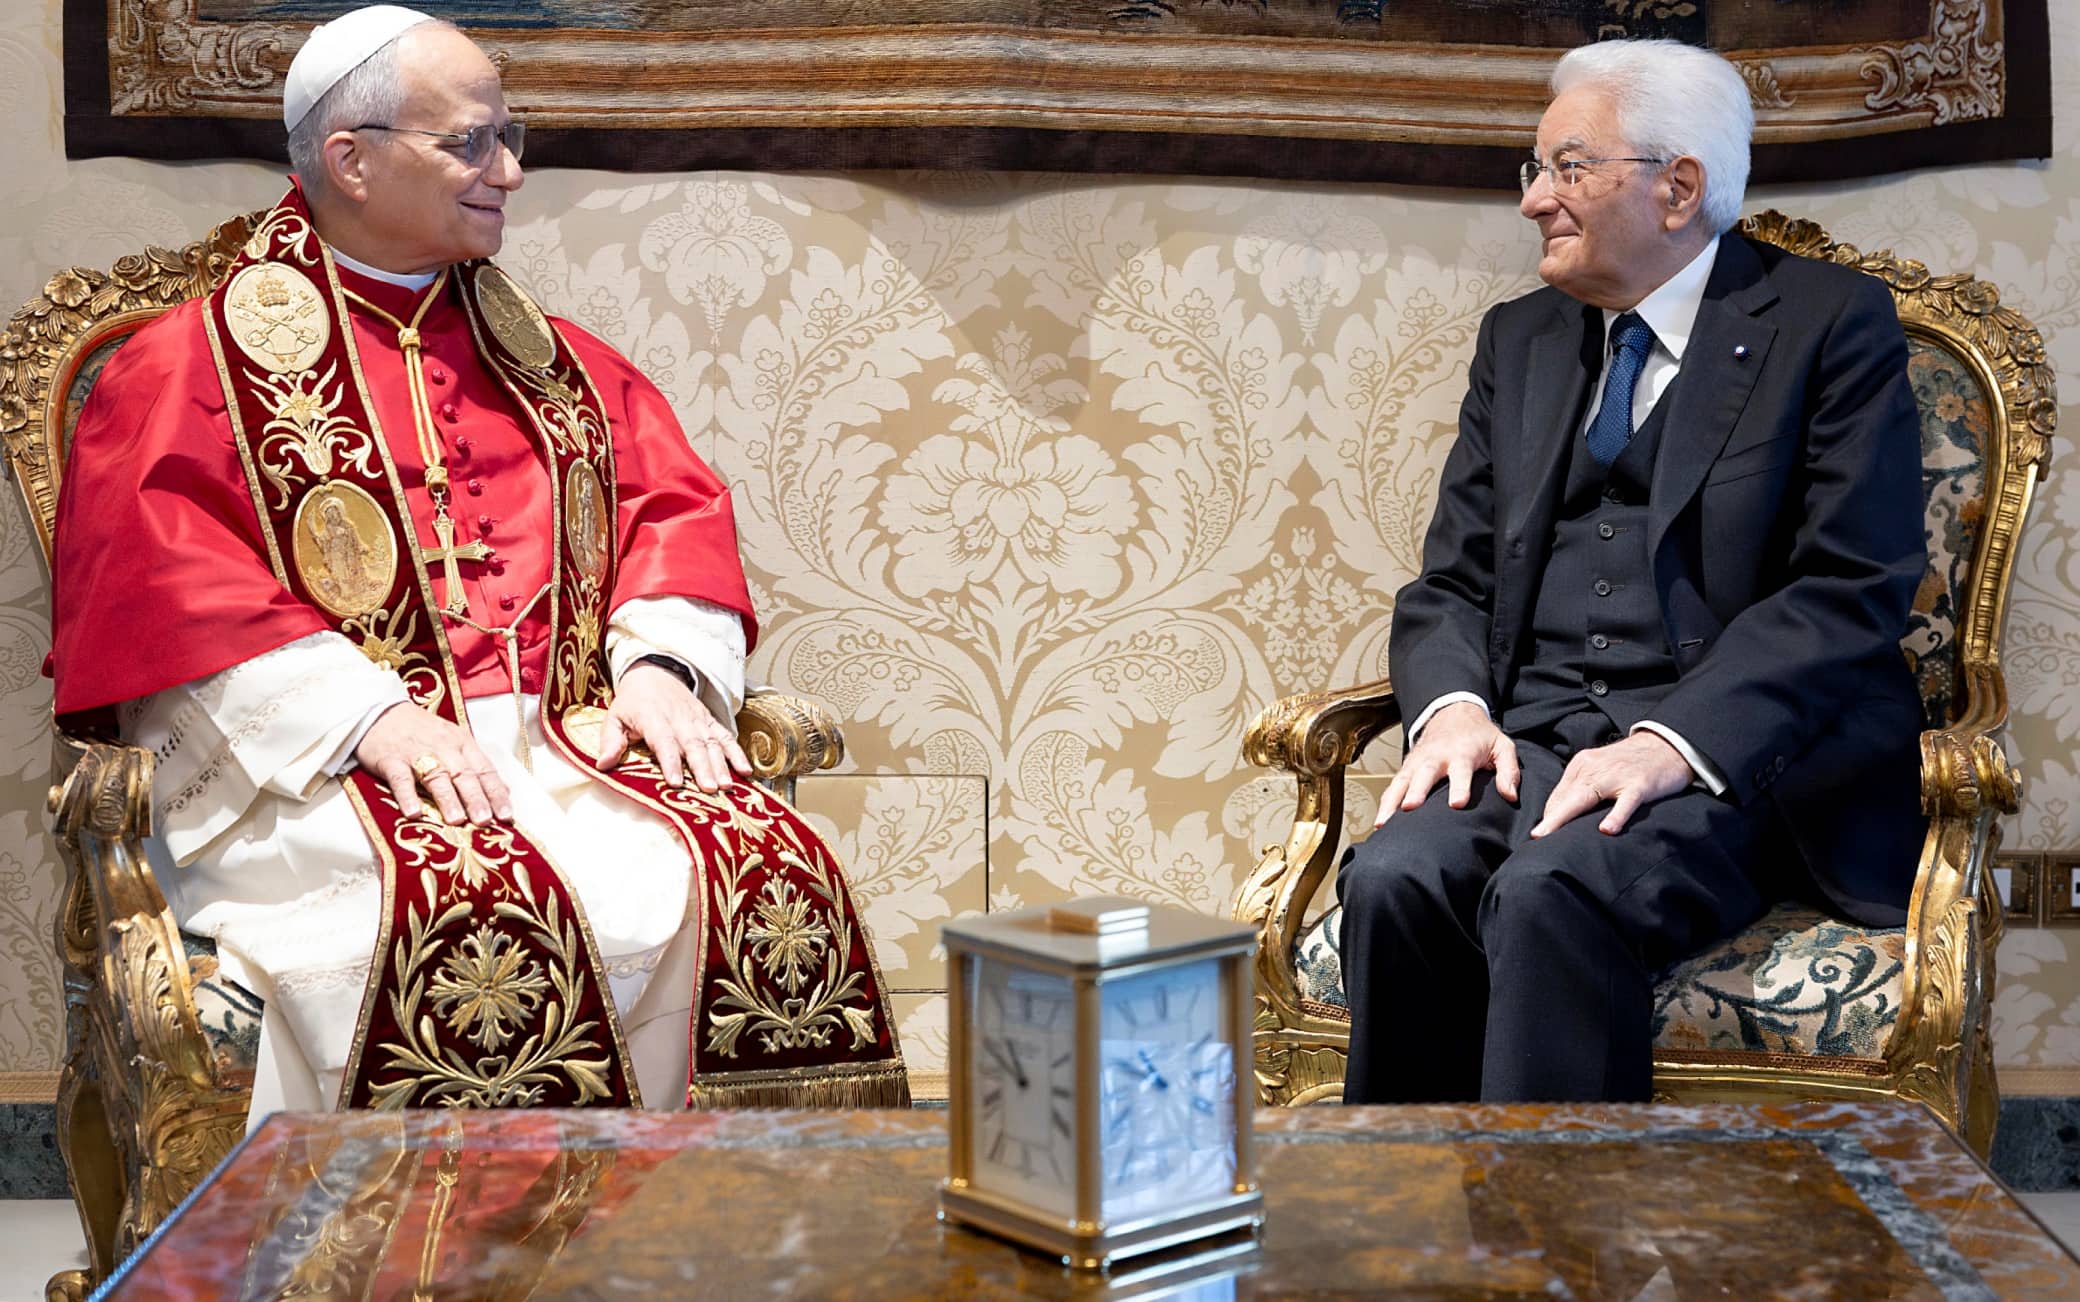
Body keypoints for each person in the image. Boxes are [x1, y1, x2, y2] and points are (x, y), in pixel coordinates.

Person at [50, 5, 906, 1117]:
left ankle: (673, 1247)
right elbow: (166, 578)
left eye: (511, 135)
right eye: (469, 143)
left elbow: (672, 511)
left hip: (564, 742)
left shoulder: (561, 368)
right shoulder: (188, 367)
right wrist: (366, 716)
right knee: (457, 919)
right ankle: (393, 1268)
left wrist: (659, 671)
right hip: (328, 768)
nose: (508, 169)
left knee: (741, 873)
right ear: (348, 160)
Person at [1336, 38, 1927, 1104]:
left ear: (1677, 186)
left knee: (1554, 890)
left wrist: (1670, 743)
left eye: (1567, 168)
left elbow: (1850, 587)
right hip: (1533, 741)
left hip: (1736, 769)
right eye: (1535, 170)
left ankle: (1558, 1247)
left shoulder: (1828, 326)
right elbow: (1450, 579)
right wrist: (1455, 712)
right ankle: (1415, 1226)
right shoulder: (1518, 341)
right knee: (1393, 878)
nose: (1533, 203)